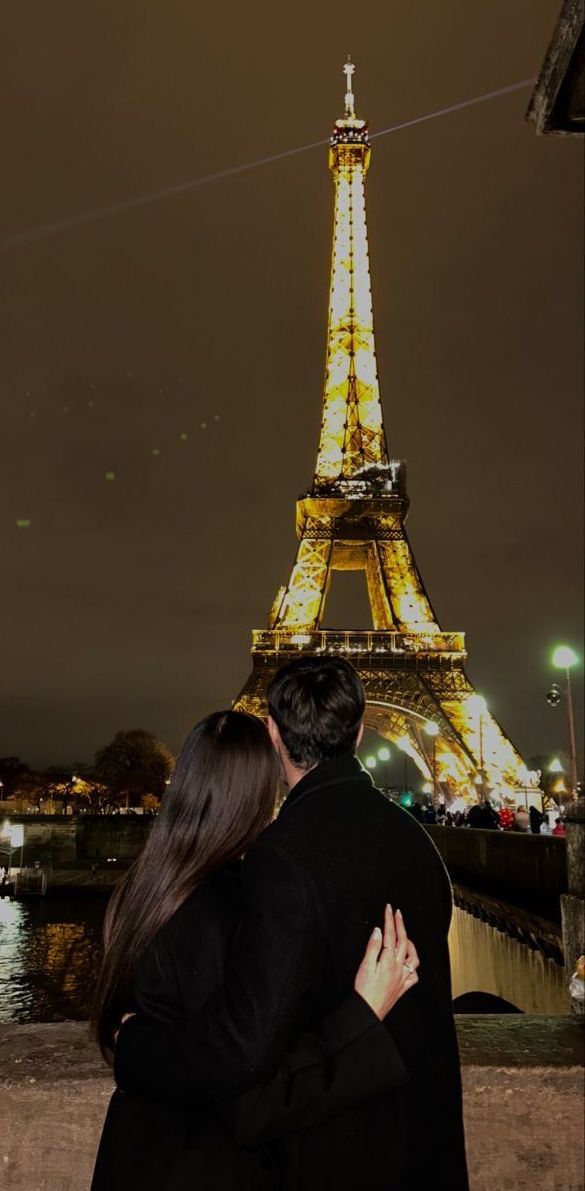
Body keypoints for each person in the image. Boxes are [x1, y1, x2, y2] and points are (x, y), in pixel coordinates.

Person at [116, 658, 469, 1190]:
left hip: (336, 1155)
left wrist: (137, 1048)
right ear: (360, 725)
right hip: (424, 1149)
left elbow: (244, 1051)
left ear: (273, 733)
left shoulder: (279, 858)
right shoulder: (417, 843)